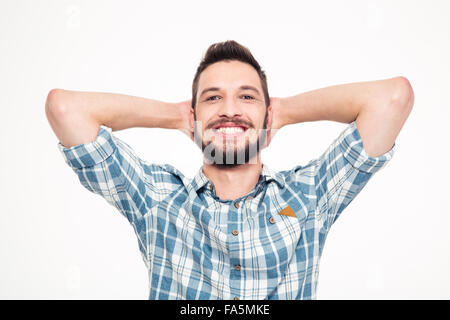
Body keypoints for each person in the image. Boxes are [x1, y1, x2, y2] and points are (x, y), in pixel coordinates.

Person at [45, 40, 414, 300]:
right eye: (213, 97)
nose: (230, 109)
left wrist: (283, 112)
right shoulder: (157, 199)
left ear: (267, 114)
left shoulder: (309, 197)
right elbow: (65, 109)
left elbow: (392, 98)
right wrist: (176, 116)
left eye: (247, 97)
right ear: (193, 116)